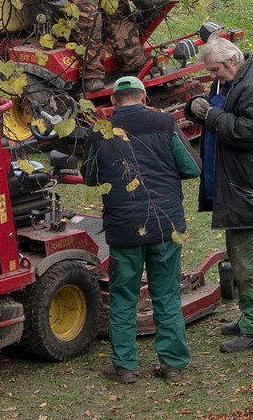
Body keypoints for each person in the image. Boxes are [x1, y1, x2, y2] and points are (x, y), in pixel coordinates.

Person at [81, 75, 201, 383]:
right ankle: (172, 364)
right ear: (145, 97)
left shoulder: (101, 132)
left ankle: (125, 366)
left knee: (124, 297)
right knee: (167, 294)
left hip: (123, 227)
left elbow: (91, 177)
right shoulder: (164, 124)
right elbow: (192, 167)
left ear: (112, 102)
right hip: (165, 224)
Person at [186, 35, 253, 353]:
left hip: (250, 189)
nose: (212, 77)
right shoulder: (234, 81)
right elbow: (218, 109)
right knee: (245, 254)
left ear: (231, 62)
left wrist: (211, 117)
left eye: (215, 70)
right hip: (241, 186)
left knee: (247, 259)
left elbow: (252, 132)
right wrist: (196, 108)